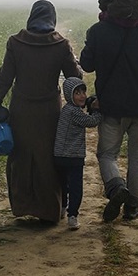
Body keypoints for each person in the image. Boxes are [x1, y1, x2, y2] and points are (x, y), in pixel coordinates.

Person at [0, 0, 83, 225]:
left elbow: (5, 77)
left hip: (21, 110)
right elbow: (74, 77)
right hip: (50, 111)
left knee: (21, 158)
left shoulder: (16, 43)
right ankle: (50, 210)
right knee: (48, 159)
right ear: (52, 19)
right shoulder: (60, 45)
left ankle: (23, 206)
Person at [80, 0, 138, 222]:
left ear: (107, 3)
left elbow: (86, 65)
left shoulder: (97, 31)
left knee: (107, 155)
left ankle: (117, 188)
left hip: (111, 107)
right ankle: (133, 208)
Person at [53, 76, 103, 230]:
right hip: (73, 156)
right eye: (77, 93)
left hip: (59, 155)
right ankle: (72, 215)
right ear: (69, 95)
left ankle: (62, 207)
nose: (82, 96)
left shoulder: (65, 109)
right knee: (76, 187)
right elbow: (91, 122)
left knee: (63, 184)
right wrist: (97, 110)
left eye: (83, 92)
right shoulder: (74, 112)